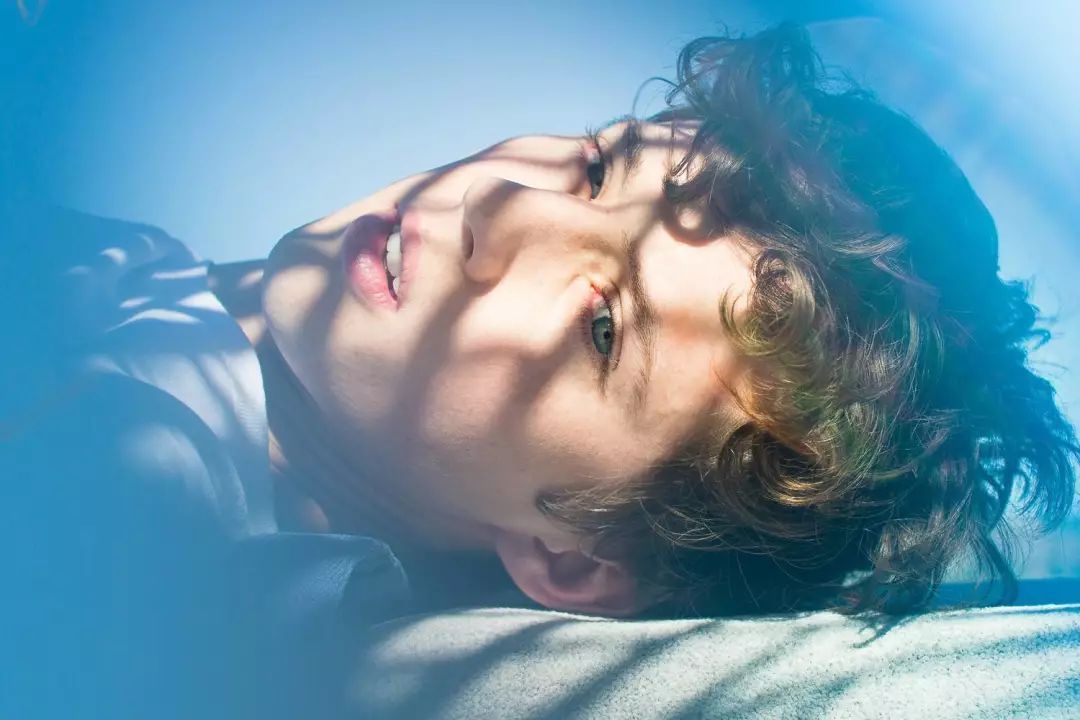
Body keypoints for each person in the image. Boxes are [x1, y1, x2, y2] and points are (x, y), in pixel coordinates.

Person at [2, 22, 1077, 713]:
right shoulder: (120, 266)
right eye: (599, 165)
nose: (506, 203)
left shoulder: (113, 492)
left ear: (581, 558)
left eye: (602, 328)